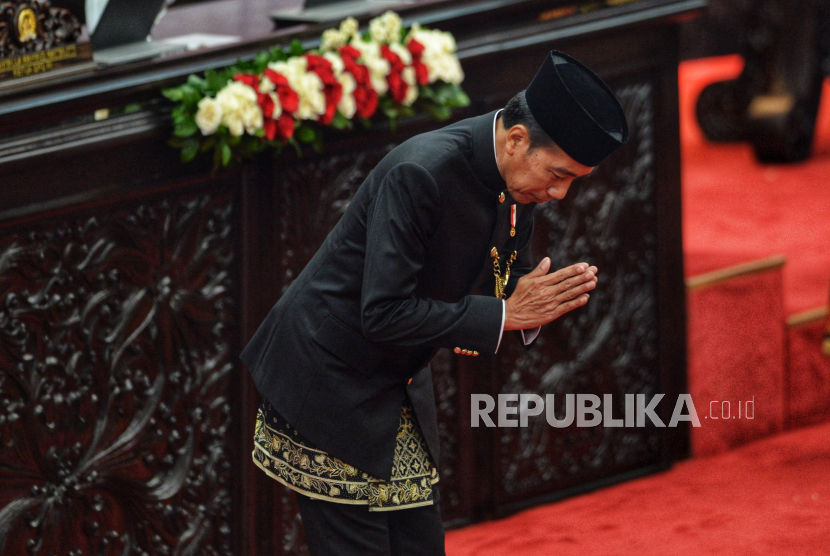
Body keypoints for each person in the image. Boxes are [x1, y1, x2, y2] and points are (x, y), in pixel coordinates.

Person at [240, 49, 629, 556]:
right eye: (558, 174)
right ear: (516, 140)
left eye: (573, 180)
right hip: (328, 374)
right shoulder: (420, 172)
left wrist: (524, 305)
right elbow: (382, 313)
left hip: (396, 378)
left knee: (420, 544)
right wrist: (505, 313)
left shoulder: (518, 186)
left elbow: (500, 287)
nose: (560, 194)